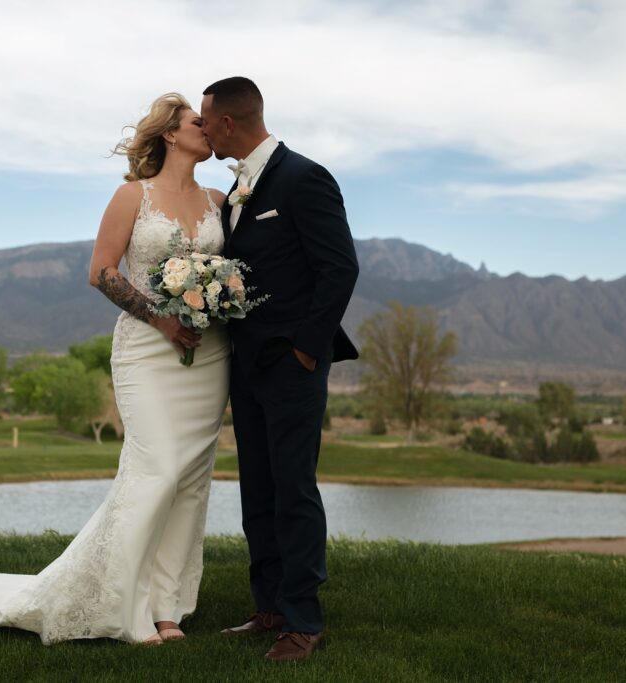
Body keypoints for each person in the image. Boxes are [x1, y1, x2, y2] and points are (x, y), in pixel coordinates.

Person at [0, 93, 230, 646]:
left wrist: (215, 303)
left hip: (209, 354)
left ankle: (168, 607)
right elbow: (102, 272)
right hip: (148, 351)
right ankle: (126, 608)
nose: (208, 128)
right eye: (198, 121)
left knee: (190, 483)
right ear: (171, 133)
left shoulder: (219, 199)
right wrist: (163, 321)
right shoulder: (132, 196)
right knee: (157, 471)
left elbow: (227, 271)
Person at [200, 76, 360, 663]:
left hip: (293, 365)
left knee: (293, 490)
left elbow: (339, 269)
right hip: (247, 366)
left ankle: (304, 621)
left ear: (228, 124)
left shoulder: (304, 178)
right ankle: (267, 606)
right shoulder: (238, 187)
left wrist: (306, 351)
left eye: (206, 118)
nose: (202, 126)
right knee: (258, 490)